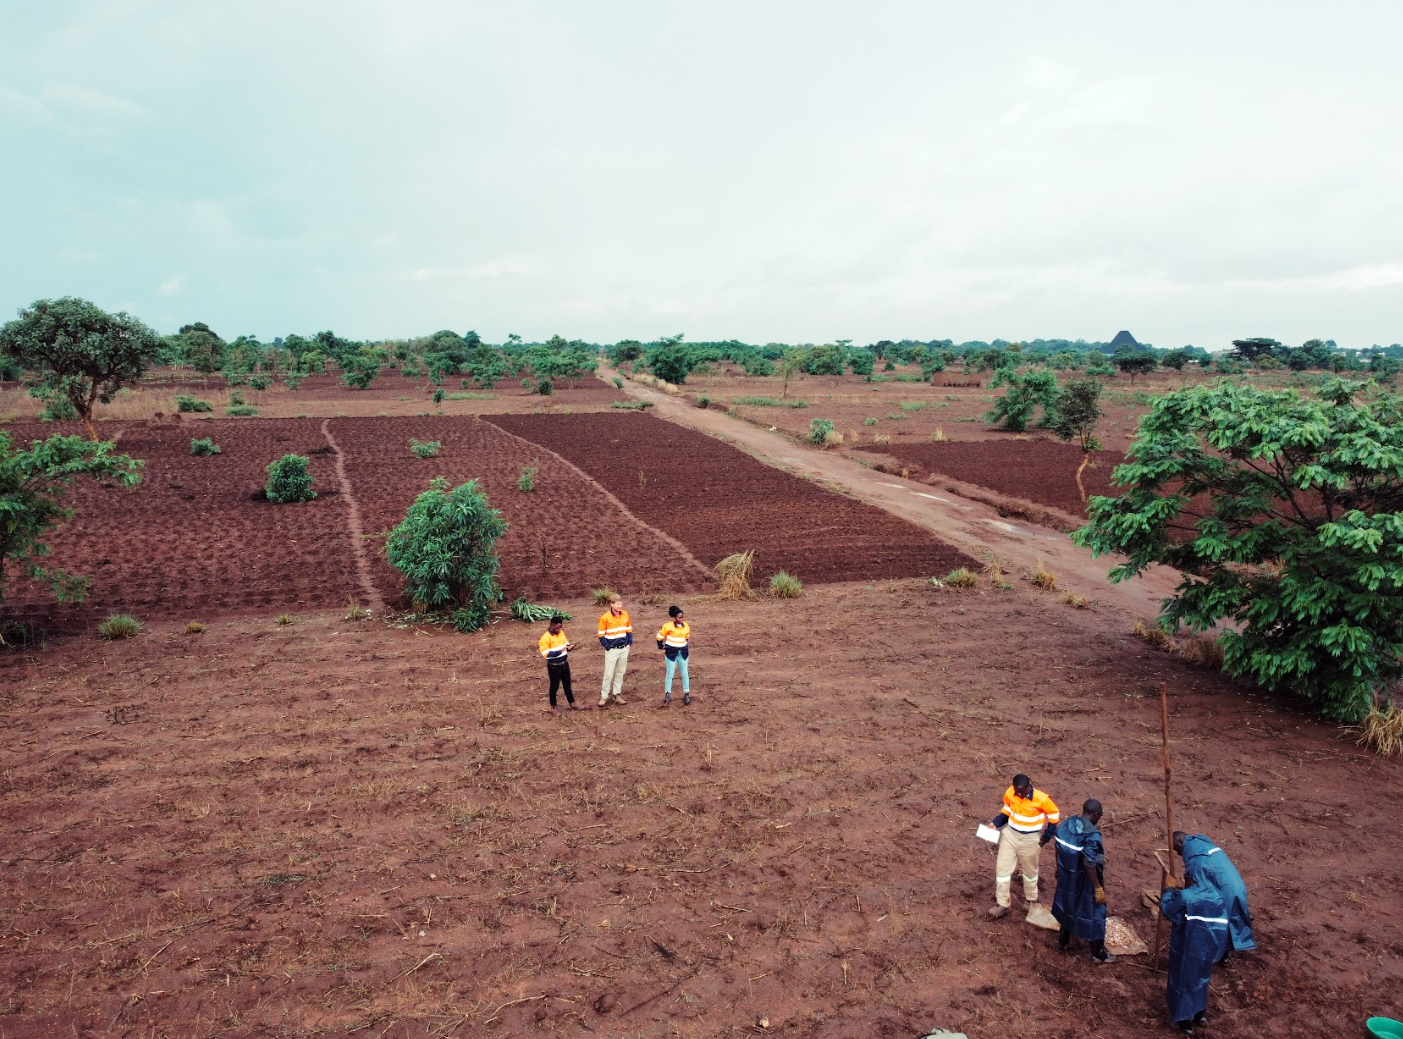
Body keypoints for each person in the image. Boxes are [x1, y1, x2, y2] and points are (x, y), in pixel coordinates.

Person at [1160, 876, 1231, 1034]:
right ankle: (1200, 1013)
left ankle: (1184, 1020)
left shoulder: (1188, 897)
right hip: (1208, 945)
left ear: (1191, 879)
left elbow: (1169, 909)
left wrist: (1169, 891)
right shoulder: (1218, 895)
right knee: (1202, 978)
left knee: (1183, 980)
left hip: (1188, 945)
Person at [988, 773, 1060, 919]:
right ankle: (1003, 904)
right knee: (1002, 869)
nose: (1019, 794)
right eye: (1017, 791)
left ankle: (1031, 900)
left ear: (1029, 787)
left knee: (1030, 871)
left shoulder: (1042, 799)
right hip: (1010, 835)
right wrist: (995, 823)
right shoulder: (1010, 793)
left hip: (1030, 839)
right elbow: (1007, 811)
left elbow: (1054, 818)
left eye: (1022, 791)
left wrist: (1045, 838)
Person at [1050, 799, 1114, 962]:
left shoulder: (1067, 824)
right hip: (1084, 880)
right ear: (1097, 814)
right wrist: (1098, 887)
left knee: (1067, 905)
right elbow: (1088, 862)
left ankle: (1062, 942)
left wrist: (1059, 867)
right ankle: (1098, 953)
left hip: (1066, 877)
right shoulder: (1091, 835)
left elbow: (1058, 846)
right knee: (1095, 912)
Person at [1174, 832, 1255, 958]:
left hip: (1226, 890)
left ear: (1179, 841)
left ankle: (1219, 955)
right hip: (1236, 884)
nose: (1178, 853)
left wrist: (1185, 904)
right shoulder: (1202, 843)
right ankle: (1224, 953)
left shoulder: (1193, 853)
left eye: (1176, 849)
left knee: (1219, 920)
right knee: (1229, 918)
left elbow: (1192, 885)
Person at [538, 615, 582, 714]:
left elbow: (566, 645)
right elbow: (546, 655)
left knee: (567, 684)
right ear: (552, 626)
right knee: (554, 686)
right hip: (554, 666)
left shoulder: (561, 633)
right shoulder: (545, 638)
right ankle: (553, 707)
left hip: (564, 664)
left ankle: (572, 703)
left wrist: (569, 648)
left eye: (561, 627)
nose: (560, 629)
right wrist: (560, 651)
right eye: (558, 627)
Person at [597, 595, 633, 708]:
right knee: (608, 674)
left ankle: (617, 694)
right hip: (612, 650)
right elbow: (601, 635)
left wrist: (629, 643)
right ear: (611, 604)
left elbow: (629, 630)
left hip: (623, 649)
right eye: (617, 604)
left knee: (620, 673)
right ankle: (604, 696)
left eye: (620, 604)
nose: (619, 606)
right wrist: (608, 647)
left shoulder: (625, 614)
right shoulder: (605, 618)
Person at [655, 605, 692, 705]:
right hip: (671, 653)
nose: (681, 619)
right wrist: (660, 646)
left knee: (685, 674)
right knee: (670, 674)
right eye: (679, 618)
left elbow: (687, 637)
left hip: (683, 653)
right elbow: (659, 636)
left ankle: (687, 693)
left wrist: (682, 645)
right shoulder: (667, 626)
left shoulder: (686, 626)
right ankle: (667, 694)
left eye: (682, 617)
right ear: (674, 618)